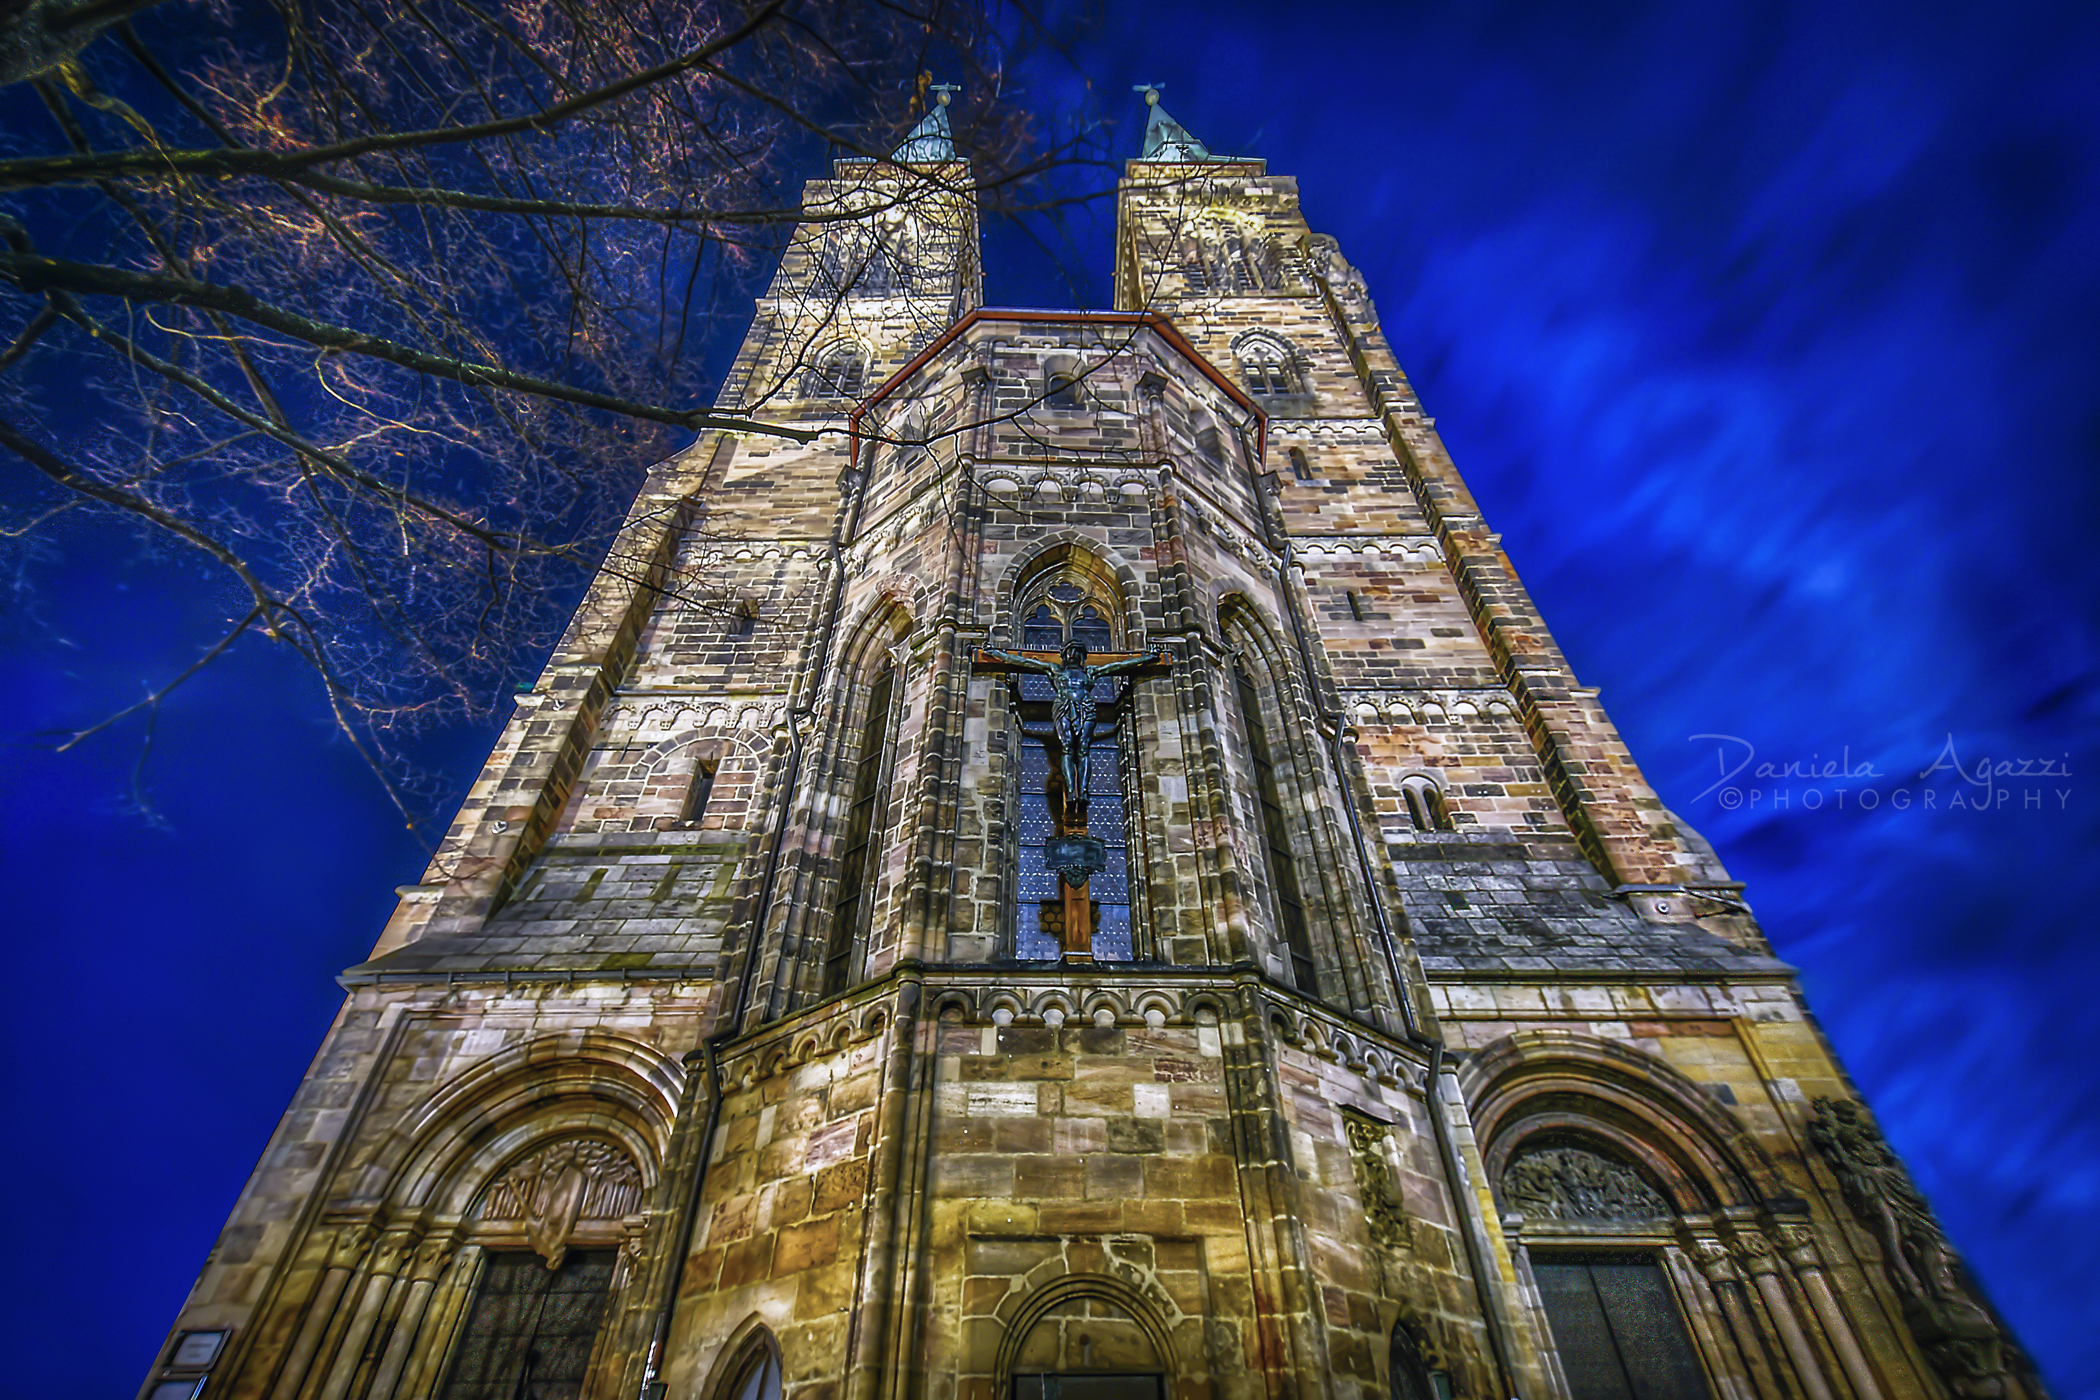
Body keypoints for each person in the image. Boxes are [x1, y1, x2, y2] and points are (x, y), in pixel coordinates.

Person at [978, 641, 1167, 816]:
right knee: (1068, 747)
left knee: (1083, 749)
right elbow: (1025, 662)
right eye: (1070, 651)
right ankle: (1070, 791)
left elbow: (1119, 665)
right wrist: (996, 653)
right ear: (1064, 654)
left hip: (1086, 707)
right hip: (1063, 706)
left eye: (1077, 651)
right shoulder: (1054, 669)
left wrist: (1149, 657)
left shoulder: (1090, 672)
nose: (1073, 655)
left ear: (1082, 656)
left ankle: (1083, 791)